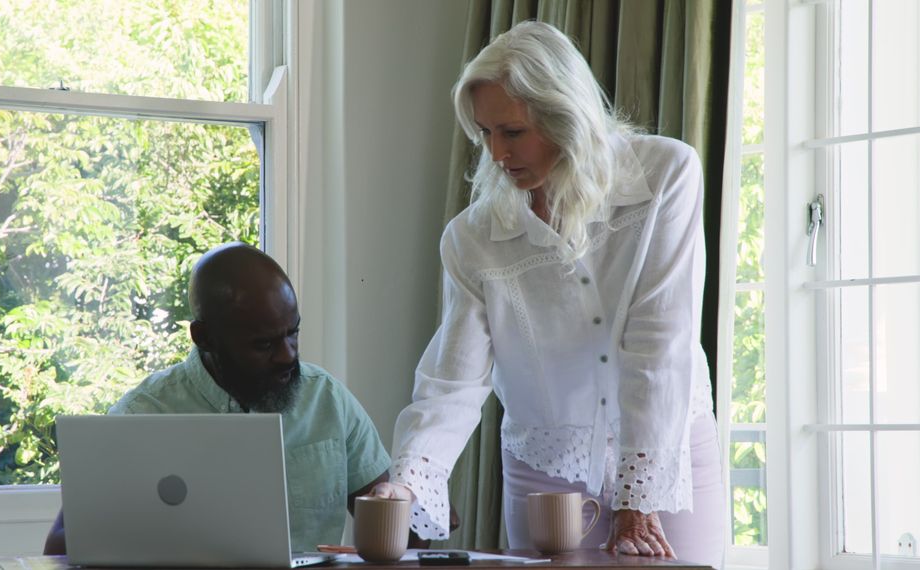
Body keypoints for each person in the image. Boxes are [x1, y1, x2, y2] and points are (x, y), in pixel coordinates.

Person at [371, 21, 726, 568]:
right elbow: (452, 380)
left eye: (511, 132)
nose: (495, 153)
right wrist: (408, 482)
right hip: (544, 472)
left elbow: (660, 338)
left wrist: (638, 496)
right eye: (485, 133)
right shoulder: (472, 239)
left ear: (566, 116)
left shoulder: (664, 176)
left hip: (668, 457)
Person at [44, 242, 394, 555]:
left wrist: (410, 503)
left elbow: (396, 524)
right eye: (264, 344)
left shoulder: (328, 400)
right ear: (204, 338)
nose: (288, 355)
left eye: (293, 333)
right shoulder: (143, 414)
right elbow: (58, 546)